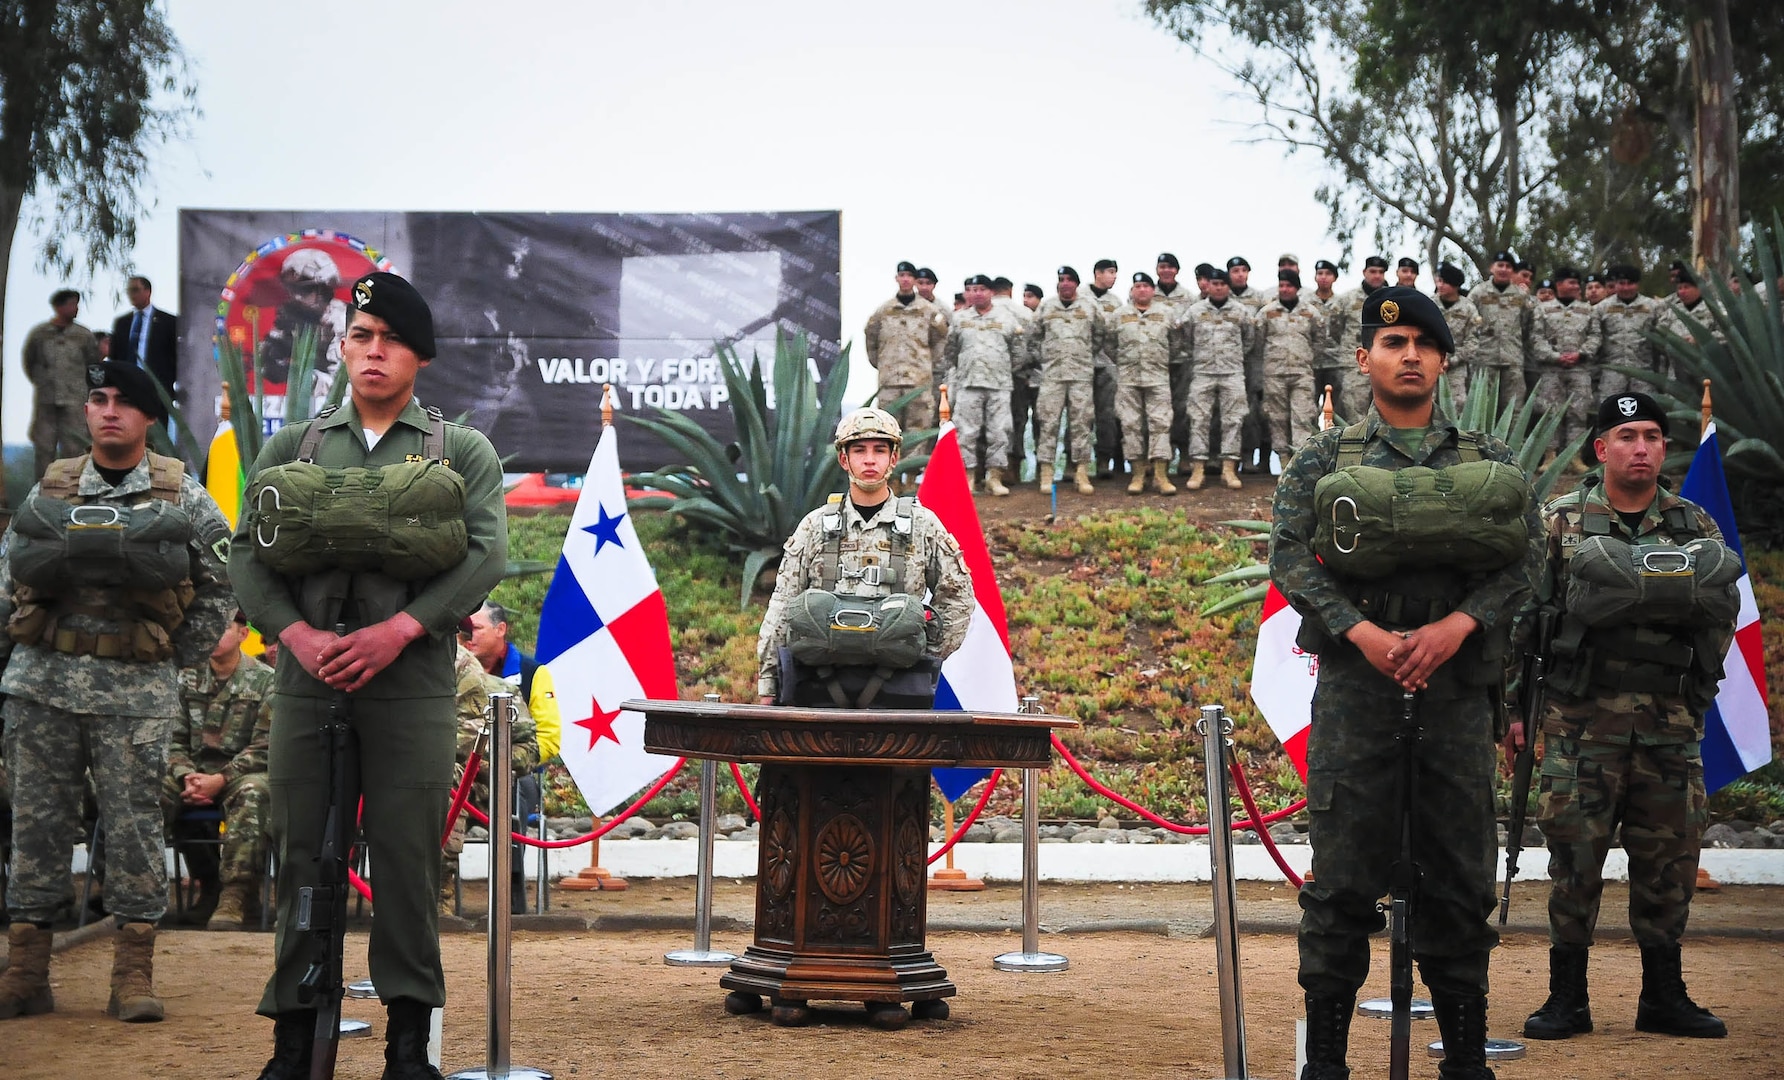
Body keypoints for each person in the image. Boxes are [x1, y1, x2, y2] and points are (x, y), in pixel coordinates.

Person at [231, 271, 507, 1079]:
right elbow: (247, 554)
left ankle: (408, 1045)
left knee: (406, 863)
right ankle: (292, 1040)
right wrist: (295, 636)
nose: (372, 351)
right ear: (343, 348)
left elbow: (487, 552)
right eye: (360, 336)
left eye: (388, 338)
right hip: (308, 680)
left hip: (412, 682)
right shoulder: (295, 447)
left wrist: (400, 628)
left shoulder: (458, 451)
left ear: (418, 354)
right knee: (300, 859)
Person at [1271, 286, 1538, 1080]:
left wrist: (1458, 627)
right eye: (1393, 344)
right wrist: (1364, 633)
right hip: (1359, 689)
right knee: (1343, 879)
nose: (1409, 355)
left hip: (1457, 696)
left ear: (1444, 359)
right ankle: (1325, 1064)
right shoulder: (1324, 459)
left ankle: (1465, 1060)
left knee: (1458, 876)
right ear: (1365, 361)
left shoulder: (1486, 457)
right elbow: (1289, 556)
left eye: (1424, 343)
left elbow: (1526, 560)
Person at [0, 361, 235, 1024]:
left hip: (135, 693)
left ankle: (132, 975)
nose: (109, 412)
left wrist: (173, 659)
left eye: (124, 403)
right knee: (36, 829)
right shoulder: (51, 488)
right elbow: (6, 576)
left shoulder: (181, 494)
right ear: (86, 412)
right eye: (99, 400)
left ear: (148, 416)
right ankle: (27, 972)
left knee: (134, 831)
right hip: (41, 683)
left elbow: (224, 583)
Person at [1510, 392, 1734, 1043]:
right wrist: (1514, 714)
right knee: (1573, 868)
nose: (1642, 447)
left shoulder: (1695, 526)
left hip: (1669, 729)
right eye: (1627, 435)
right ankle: (1566, 1000)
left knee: (1668, 868)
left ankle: (1664, 997)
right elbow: (1524, 625)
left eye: (1653, 436)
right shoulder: (1558, 524)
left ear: (1665, 449)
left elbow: (1720, 621)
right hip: (1579, 731)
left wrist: (1697, 699)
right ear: (1601, 447)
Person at [754, 408, 973, 706]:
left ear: (893, 458)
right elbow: (783, 604)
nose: (870, 459)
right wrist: (769, 683)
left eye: (879, 450)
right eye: (859, 450)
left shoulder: (923, 526)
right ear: (844, 459)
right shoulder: (814, 526)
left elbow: (957, 596)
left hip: (900, 688)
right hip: (817, 688)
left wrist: (924, 654)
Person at [165, 611, 275, 930]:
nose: (213, 634)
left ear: (243, 635)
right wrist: (185, 775)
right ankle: (143, 891)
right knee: (148, 789)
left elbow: (266, 746)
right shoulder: (186, 678)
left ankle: (236, 895)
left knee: (254, 792)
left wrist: (221, 779)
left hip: (239, 774)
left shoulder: (266, 680)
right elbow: (171, 737)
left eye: (223, 628)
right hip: (192, 775)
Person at [441, 643, 538, 917]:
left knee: (445, 781)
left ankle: (438, 895)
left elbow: (530, 750)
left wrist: (484, 760)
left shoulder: (502, 694)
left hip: (479, 786)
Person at [460, 599, 562, 841]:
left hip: (513, 771)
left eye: (476, 628)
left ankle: (512, 877)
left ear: (500, 630)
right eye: (463, 630)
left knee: (513, 793)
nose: (467, 636)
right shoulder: (448, 670)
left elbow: (548, 738)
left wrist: (500, 763)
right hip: (456, 771)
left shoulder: (532, 673)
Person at [942, 274, 1025, 496]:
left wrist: (1005, 369)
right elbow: (951, 351)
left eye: (981, 289)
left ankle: (994, 478)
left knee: (999, 432)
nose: (976, 293)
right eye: (971, 289)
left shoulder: (1006, 318)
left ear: (990, 292)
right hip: (968, 384)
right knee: (966, 433)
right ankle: (968, 477)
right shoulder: (959, 319)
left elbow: (1019, 351)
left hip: (999, 385)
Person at [1029, 266, 1106, 495]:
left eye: (1069, 280)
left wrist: (1084, 356)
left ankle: (1080, 473)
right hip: (1052, 376)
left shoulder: (1090, 307)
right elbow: (1032, 337)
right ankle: (1046, 473)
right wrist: (1045, 359)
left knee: (1081, 424)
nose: (1064, 283)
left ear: (1076, 284)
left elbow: (1100, 336)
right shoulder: (1046, 307)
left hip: (1081, 375)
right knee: (1048, 424)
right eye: (1061, 279)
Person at [1179, 267, 1256, 491]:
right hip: (1203, 372)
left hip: (1232, 373)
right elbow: (1186, 339)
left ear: (1228, 286)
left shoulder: (1240, 311)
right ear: (1208, 286)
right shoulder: (1194, 311)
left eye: (1223, 284)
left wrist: (1234, 359)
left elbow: (1249, 340)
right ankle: (1198, 469)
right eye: (1215, 284)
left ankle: (1229, 469)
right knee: (1198, 419)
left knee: (1233, 420)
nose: (1219, 287)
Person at [21, 289, 100, 481]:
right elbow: (29, 362)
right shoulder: (40, 334)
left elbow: (94, 366)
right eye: (72, 304)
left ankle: (73, 493)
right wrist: (42, 381)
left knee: (75, 448)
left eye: (77, 305)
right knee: (44, 448)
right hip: (46, 400)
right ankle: (42, 495)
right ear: (58, 307)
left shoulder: (83, 335)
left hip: (75, 400)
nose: (75, 309)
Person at [1110, 272, 1177, 495]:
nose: (1141, 290)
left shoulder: (1167, 314)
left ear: (1153, 290)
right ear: (1131, 290)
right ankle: (1137, 474)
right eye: (1137, 286)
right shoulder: (1119, 315)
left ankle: (1160, 475)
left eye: (1146, 286)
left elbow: (1177, 344)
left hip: (1157, 377)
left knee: (1160, 424)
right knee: (1130, 425)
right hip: (1128, 379)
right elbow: (1109, 344)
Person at [863, 261, 949, 433]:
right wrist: (882, 363)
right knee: (888, 429)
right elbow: (871, 338)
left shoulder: (929, 311)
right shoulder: (884, 311)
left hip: (918, 382)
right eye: (902, 276)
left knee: (918, 429)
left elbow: (940, 341)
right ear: (896, 278)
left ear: (915, 281)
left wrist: (926, 364)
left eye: (909, 276)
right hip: (890, 382)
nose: (905, 280)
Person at [1256, 268, 1328, 462]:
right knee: (1276, 417)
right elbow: (1257, 341)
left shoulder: (1310, 313)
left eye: (1289, 286)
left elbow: (1319, 341)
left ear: (1296, 288)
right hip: (1274, 374)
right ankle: (1284, 461)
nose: (1284, 289)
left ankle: (1300, 461)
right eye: (1281, 285)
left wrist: (1307, 358)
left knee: (1303, 416)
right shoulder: (1267, 313)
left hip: (1301, 373)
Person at [1472, 250, 1554, 414]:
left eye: (1508, 266)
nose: (1503, 269)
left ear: (1512, 271)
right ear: (1491, 268)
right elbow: (1470, 323)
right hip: (1485, 359)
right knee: (1482, 408)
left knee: (1513, 409)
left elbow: (1531, 324)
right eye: (1500, 265)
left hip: (1513, 359)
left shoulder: (1521, 296)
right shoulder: (1478, 293)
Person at [1534, 268, 1602, 463]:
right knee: (1550, 412)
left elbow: (1595, 336)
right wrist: (1554, 356)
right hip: (1551, 369)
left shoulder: (1588, 310)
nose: (1575, 286)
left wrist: (1580, 354)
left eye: (1576, 283)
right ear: (1559, 285)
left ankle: (1575, 457)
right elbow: (1536, 337)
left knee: (1579, 412)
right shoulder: (1543, 309)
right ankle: (1550, 457)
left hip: (1580, 369)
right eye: (1570, 282)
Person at [1327, 257, 1389, 422]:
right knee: (1354, 406)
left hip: (1385, 360)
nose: (1377, 276)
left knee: (1387, 406)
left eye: (1381, 272)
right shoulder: (1347, 299)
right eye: (1373, 271)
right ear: (1364, 272)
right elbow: (1334, 329)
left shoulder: (1391, 300)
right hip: (1353, 362)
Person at [1597, 264, 1674, 397]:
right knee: (1610, 411)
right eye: (1622, 283)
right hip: (1612, 372)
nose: (1626, 288)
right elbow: (1595, 337)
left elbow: (1662, 339)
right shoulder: (1602, 308)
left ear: (1637, 284)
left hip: (1643, 371)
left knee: (1644, 411)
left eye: (1630, 283)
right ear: (1615, 284)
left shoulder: (1653, 307)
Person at [1087, 259, 1126, 480]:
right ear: (1098, 273)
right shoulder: (1081, 297)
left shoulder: (1116, 302)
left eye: (1115, 272)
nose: (1114, 276)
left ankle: (1104, 460)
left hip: (1108, 367)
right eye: (1110, 272)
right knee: (1081, 416)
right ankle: (1076, 464)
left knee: (1108, 415)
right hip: (1082, 366)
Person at [112, 275, 180, 398]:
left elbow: (175, 355)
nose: (131, 295)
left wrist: (169, 379)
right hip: (127, 385)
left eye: (135, 290)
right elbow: (115, 355)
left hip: (157, 386)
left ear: (148, 291)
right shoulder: (122, 323)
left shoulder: (168, 321)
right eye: (128, 291)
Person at [1435, 263, 1483, 412]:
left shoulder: (1468, 308)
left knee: (1457, 407)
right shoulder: (1429, 304)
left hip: (1456, 369)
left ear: (1455, 285)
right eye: (1439, 281)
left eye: (1444, 282)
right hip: (1430, 364)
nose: (1439, 285)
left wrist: (1452, 361)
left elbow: (1473, 342)